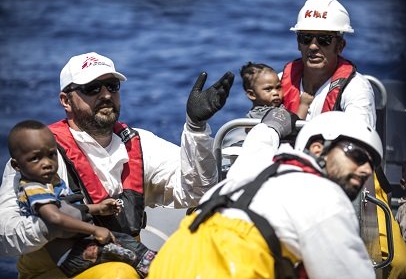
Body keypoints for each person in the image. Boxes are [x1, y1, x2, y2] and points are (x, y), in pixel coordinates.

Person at [0, 51, 234, 278]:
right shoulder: (38, 157)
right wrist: (48, 227)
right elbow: (4, 237)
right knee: (120, 275)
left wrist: (196, 127)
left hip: (129, 258)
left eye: (112, 86)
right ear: (66, 101)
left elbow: (197, 192)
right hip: (54, 272)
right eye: (92, 88)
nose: (105, 95)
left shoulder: (141, 144)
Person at [148, 110, 381, 279]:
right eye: (357, 156)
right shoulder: (323, 194)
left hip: (170, 262)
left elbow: (256, 145)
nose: (366, 170)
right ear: (317, 149)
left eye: (371, 165)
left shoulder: (250, 171)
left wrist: (270, 126)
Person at [281, 0, 406, 278]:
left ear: (340, 45)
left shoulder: (357, 89)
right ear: (298, 42)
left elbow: (358, 149)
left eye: (324, 39)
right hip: (289, 178)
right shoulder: (282, 80)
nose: (313, 46)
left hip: (353, 183)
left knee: (401, 264)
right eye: (306, 38)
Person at [8, 119, 158, 278]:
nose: (46, 163)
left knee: (128, 244)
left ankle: (153, 262)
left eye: (51, 155)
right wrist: (94, 229)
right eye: (35, 158)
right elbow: (55, 217)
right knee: (127, 254)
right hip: (73, 255)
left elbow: (69, 210)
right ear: (17, 166)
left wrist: (98, 209)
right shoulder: (35, 187)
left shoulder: (50, 183)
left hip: (80, 247)